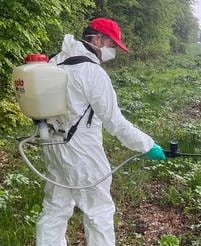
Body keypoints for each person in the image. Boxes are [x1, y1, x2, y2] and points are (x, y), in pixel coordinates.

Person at [36, 17, 166, 246]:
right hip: (82, 153)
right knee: (99, 213)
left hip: (51, 143)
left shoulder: (56, 62)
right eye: (112, 45)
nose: (113, 51)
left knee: (55, 208)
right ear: (97, 39)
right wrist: (147, 145)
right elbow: (115, 121)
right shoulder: (92, 72)